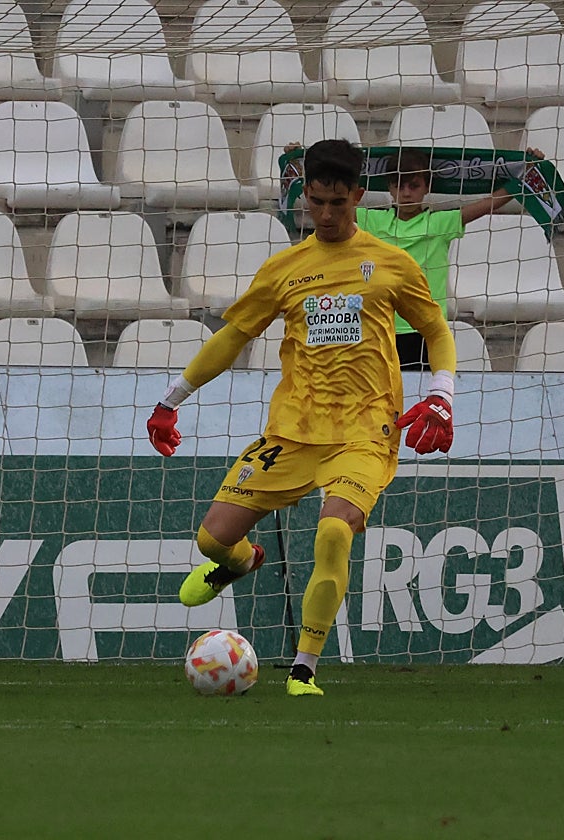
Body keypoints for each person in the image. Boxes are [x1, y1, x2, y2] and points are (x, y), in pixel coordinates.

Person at [146, 139, 457, 697]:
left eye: (339, 202)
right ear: (306, 198)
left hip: (365, 430)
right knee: (213, 541)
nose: (328, 214)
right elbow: (235, 336)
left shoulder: (391, 263)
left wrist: (441, 393)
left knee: (335, 529)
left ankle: (303, 668)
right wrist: (173, 398)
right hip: (292, 431)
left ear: (359, 196)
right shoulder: (284, 269)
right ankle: (241, 564)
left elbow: (435, 329)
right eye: (317, 202)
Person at [357, 146, 545, 369]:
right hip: (382, 327)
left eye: (414, 186)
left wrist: (529, 172)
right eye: (399, 185)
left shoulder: (441, 223)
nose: (406, 193)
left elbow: (488, 204)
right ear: (390, 188)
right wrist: (302, 170)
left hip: (426, 329)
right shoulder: (373, 221)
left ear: (427, 187)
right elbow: (328, 204)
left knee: (423, 397)